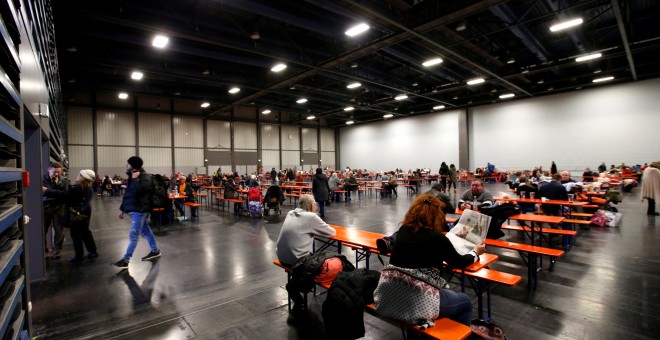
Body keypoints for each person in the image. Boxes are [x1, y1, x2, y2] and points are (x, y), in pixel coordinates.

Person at [388, 194, 485, 326]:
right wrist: (476, 252)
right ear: (437, 215)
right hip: (420, 300)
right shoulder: (436, 237)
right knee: (465, 302)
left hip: (395, 293)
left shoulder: (403, 230)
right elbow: (459, 263)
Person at [276, 194, 337, 312]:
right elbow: (331, 232)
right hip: (296, 261)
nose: (316, 206)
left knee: (310, 256)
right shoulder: (311, 217)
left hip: (281, 256)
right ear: (310, 205)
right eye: (314, 203)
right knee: (320, 262)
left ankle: (295, 286)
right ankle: (300, 286)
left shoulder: (290, 213)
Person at [113, 156, 161, 269]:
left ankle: (126, 259)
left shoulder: (145, 177)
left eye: (128, 163)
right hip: (134, 209)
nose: (126, 165)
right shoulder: (132, 176)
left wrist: (134, 179)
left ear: (133, 165)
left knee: (133, 235)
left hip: (140, 210)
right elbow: (129, 194)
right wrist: (123, 209)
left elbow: (139, 191)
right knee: (146, 232)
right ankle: (155, 251)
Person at [43, 169, 98, 262]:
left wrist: (47, 191)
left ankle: (79, 256)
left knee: (76, 234)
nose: (77, 175)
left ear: (82, 177)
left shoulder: (77, 187)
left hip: (76, 214)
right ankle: (93, 251)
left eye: (79, 174)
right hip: (85, 212)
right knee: (85, 232)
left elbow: (63, 195)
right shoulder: (89, 187)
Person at [43, 162, 69, 260]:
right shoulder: (42, 179)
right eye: (54, 172)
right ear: (49, 170)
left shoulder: (64, 181)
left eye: (59, 172)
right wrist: (57, 195)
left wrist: (48, 192)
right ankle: (44, 250)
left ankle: (57, 249)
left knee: (59, 230)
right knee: (43, 229)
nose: (57, 174)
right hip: (45, 207)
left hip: (59, 208)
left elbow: (65, 195)